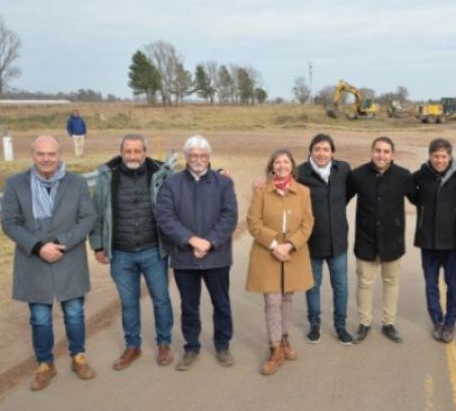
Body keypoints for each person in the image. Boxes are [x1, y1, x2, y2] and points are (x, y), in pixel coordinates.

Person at [1, 135, 97, 391]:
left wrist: (60, 242)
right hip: (33, 260)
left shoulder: (76, 184)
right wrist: (38, 247)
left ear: (59, 155)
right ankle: (45, 364)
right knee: (40, 317)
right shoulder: (15, 184)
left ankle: (78, 357)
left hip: (69, 257)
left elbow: (88, 218)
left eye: (51, 154)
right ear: (33, 155)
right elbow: (9, 222)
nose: (46, 159)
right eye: (40, 154)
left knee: (74, 313)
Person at [89, 134, 174, 369]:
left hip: (153, 250)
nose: (133, 156)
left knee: (162, 300)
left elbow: (187, 186)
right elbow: (97, 212)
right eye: (128, 151)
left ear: (145, 152)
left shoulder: (160, 172)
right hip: (121, 253)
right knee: (128, 303)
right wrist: (98, 245)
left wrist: (218, 171)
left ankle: (164, 343)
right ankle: (132, 346)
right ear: (121, 151)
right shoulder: (108, 175)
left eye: (137, 151)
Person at [157, 135, 238, 370]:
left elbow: (229, 216)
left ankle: (223, 345)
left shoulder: (224, 183)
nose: (198, 159)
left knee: (221, 303)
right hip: (185, 257)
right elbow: (165, 217)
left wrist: (210, 242)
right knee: (189, 306)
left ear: (209, 157)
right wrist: (191, 240)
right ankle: (191, 347)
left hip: (217, 256)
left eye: (203, 155)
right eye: (194, 155)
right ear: (186, 157)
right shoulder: (171, 184)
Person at [246, 149, 314, 375]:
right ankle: (275, 348)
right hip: (268, 254)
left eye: (286, 162)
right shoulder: (262, 191)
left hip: (293, 254)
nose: (282, 166)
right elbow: (253, 223)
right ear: (272, 167)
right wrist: (276, 245)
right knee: (272, 300)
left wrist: (291, 245)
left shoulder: (303, 192)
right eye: (278, 162)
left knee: (286, 298)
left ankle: (285, 339)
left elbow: (307, 223)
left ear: (292, 166)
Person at [347, 136, 415, 343]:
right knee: (365, 284)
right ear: (371, 152)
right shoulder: (357, 175)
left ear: (392, 154)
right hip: (366, 240)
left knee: (391, 282)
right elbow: (339, 197)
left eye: (386, 151)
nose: (381, 155)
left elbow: (420, 198)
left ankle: (389, 323)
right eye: (378, 150)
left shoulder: (403, 176)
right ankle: (364, 323)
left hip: (392, 241)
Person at [296, 134, 354, 345]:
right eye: (317, 149)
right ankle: (314, 325)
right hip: (311, 242)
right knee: (313, 286)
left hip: (338, 241)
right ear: (310, 151)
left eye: (326, 149)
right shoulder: (300, 172)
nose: (321, 153)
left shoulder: (343, 169)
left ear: (332, 152)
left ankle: (340, 326)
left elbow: (348, 193)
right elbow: (279, 181)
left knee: (341, 287)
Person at [412, 138, 456, 343]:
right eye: (436, 156)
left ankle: (450, 322)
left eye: (443, 156)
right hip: (428, 241)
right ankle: (437, 321)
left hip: (452, 241)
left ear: (450, 156)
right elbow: (410, 192)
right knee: (431, 284)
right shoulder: (421, 175)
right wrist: (423, 209)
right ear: (430, 156)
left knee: (453, 285)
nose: (439, 160)